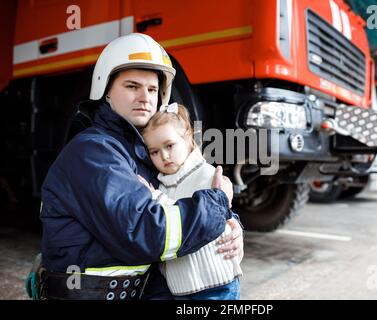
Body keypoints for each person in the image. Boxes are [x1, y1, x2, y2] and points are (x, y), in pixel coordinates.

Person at [34, 33, 243, 300]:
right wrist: (217, 205)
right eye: (132, 86)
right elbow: (149, 232)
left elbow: (180, 196)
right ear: (106, 90)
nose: (145, 97)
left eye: (153, 89)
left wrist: (230, 226)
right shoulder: (93, 152)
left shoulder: (144, 153)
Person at [139, 102, 243, 300]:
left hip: (216, 285)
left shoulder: (208, 175)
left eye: (169, 145)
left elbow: (198, 218)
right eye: (154, 151)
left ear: (188, 139)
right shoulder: (161, 184)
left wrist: (154, 197)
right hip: (180, 289)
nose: (164, 156)